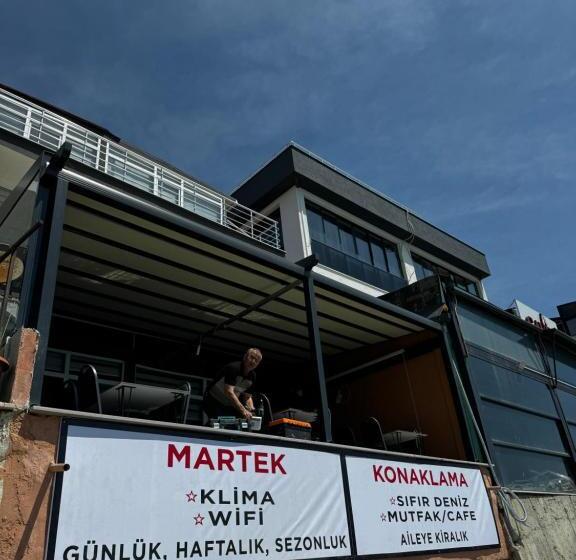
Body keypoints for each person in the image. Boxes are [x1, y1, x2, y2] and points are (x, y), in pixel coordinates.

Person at [203, 348, 262, 421]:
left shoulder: (253, 376)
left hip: (228, 404)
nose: (253, 361)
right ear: (245, 357)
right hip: (213, 399)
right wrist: (244, 411)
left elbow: (247, 397)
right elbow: (228, 391)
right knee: (218, 422)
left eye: (256, 360)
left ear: (258, 364)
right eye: (252, 357)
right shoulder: (234, 368)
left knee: (235, 423)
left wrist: (252, 411)